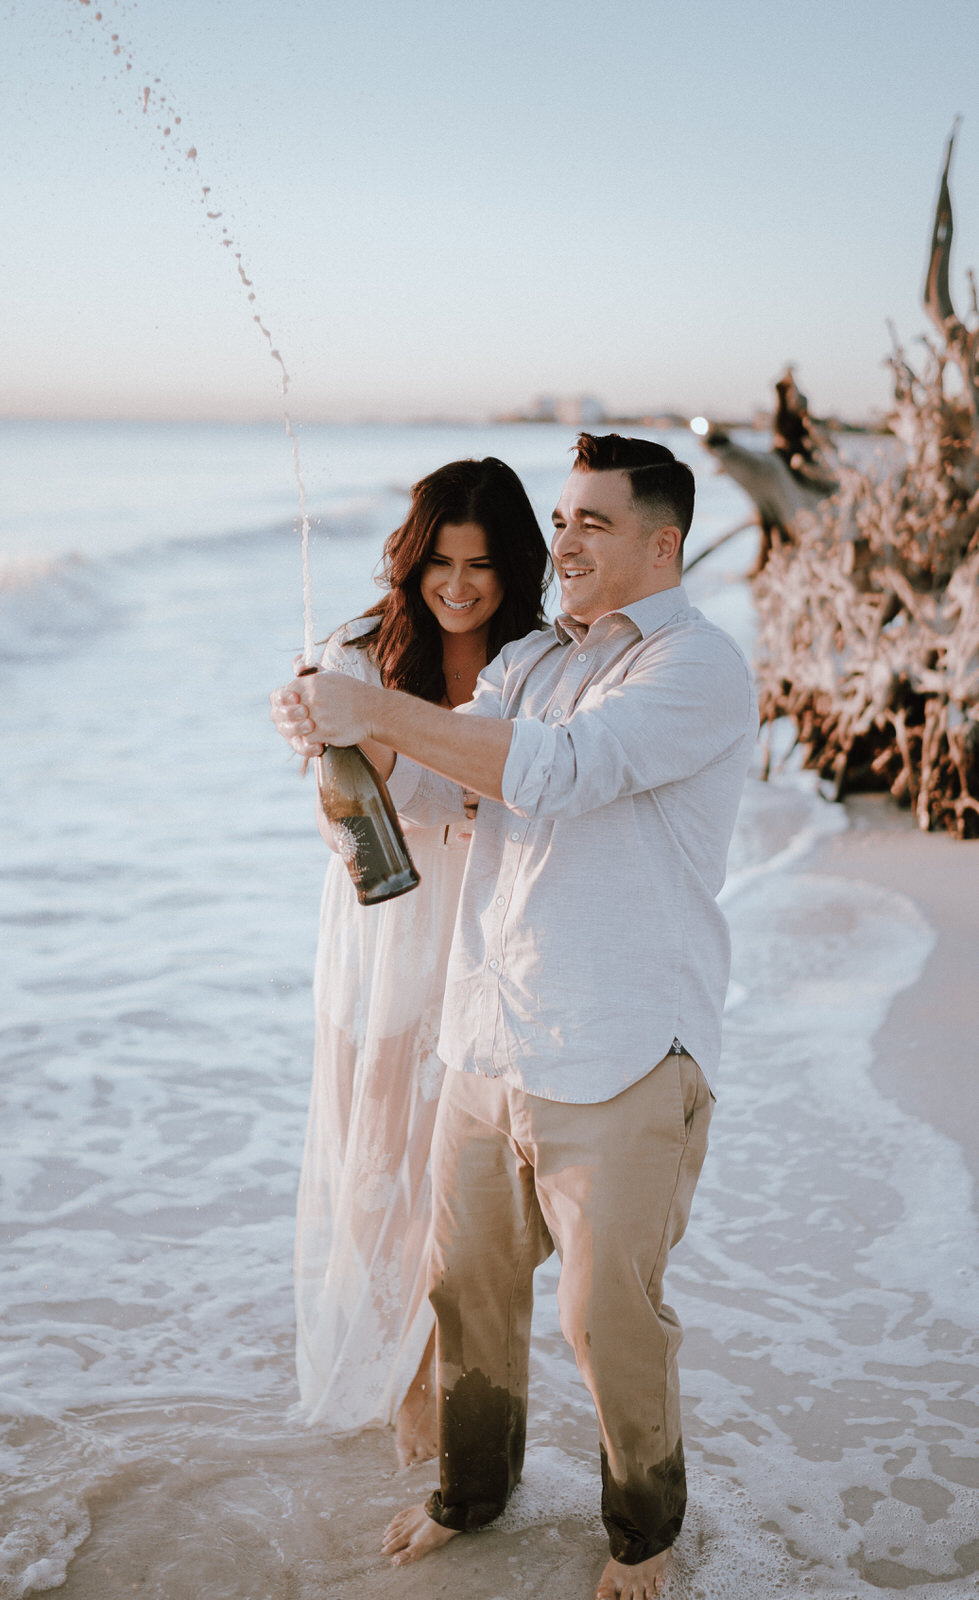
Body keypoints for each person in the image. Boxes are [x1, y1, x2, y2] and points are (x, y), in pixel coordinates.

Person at [273, 434, 757, 1600]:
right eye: (560, 517)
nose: (564, 541)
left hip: (626, 1048)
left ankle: (643, 1535)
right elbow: (450, 787)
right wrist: (341, 731)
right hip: (489, 1039)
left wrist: (379, 705)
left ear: (661, 540)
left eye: (591, 521)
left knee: (606, 1319)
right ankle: (468, 1495)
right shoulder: (531, 662)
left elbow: (557, 769)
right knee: (468, 1301)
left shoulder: (696, 667)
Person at [293, 456, 549, 1468]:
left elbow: (546, 791)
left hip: (493, 929)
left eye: (480, 565)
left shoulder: (537, 659)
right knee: (373, 1170)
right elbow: (343, 826)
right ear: (411, 559)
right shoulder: (351, 654)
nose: (456, 585)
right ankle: (396, 1354)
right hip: (380, 927)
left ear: (512, 565)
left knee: (465, 1178)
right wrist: (355, 752)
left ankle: (432, 1369)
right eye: (439, 560)